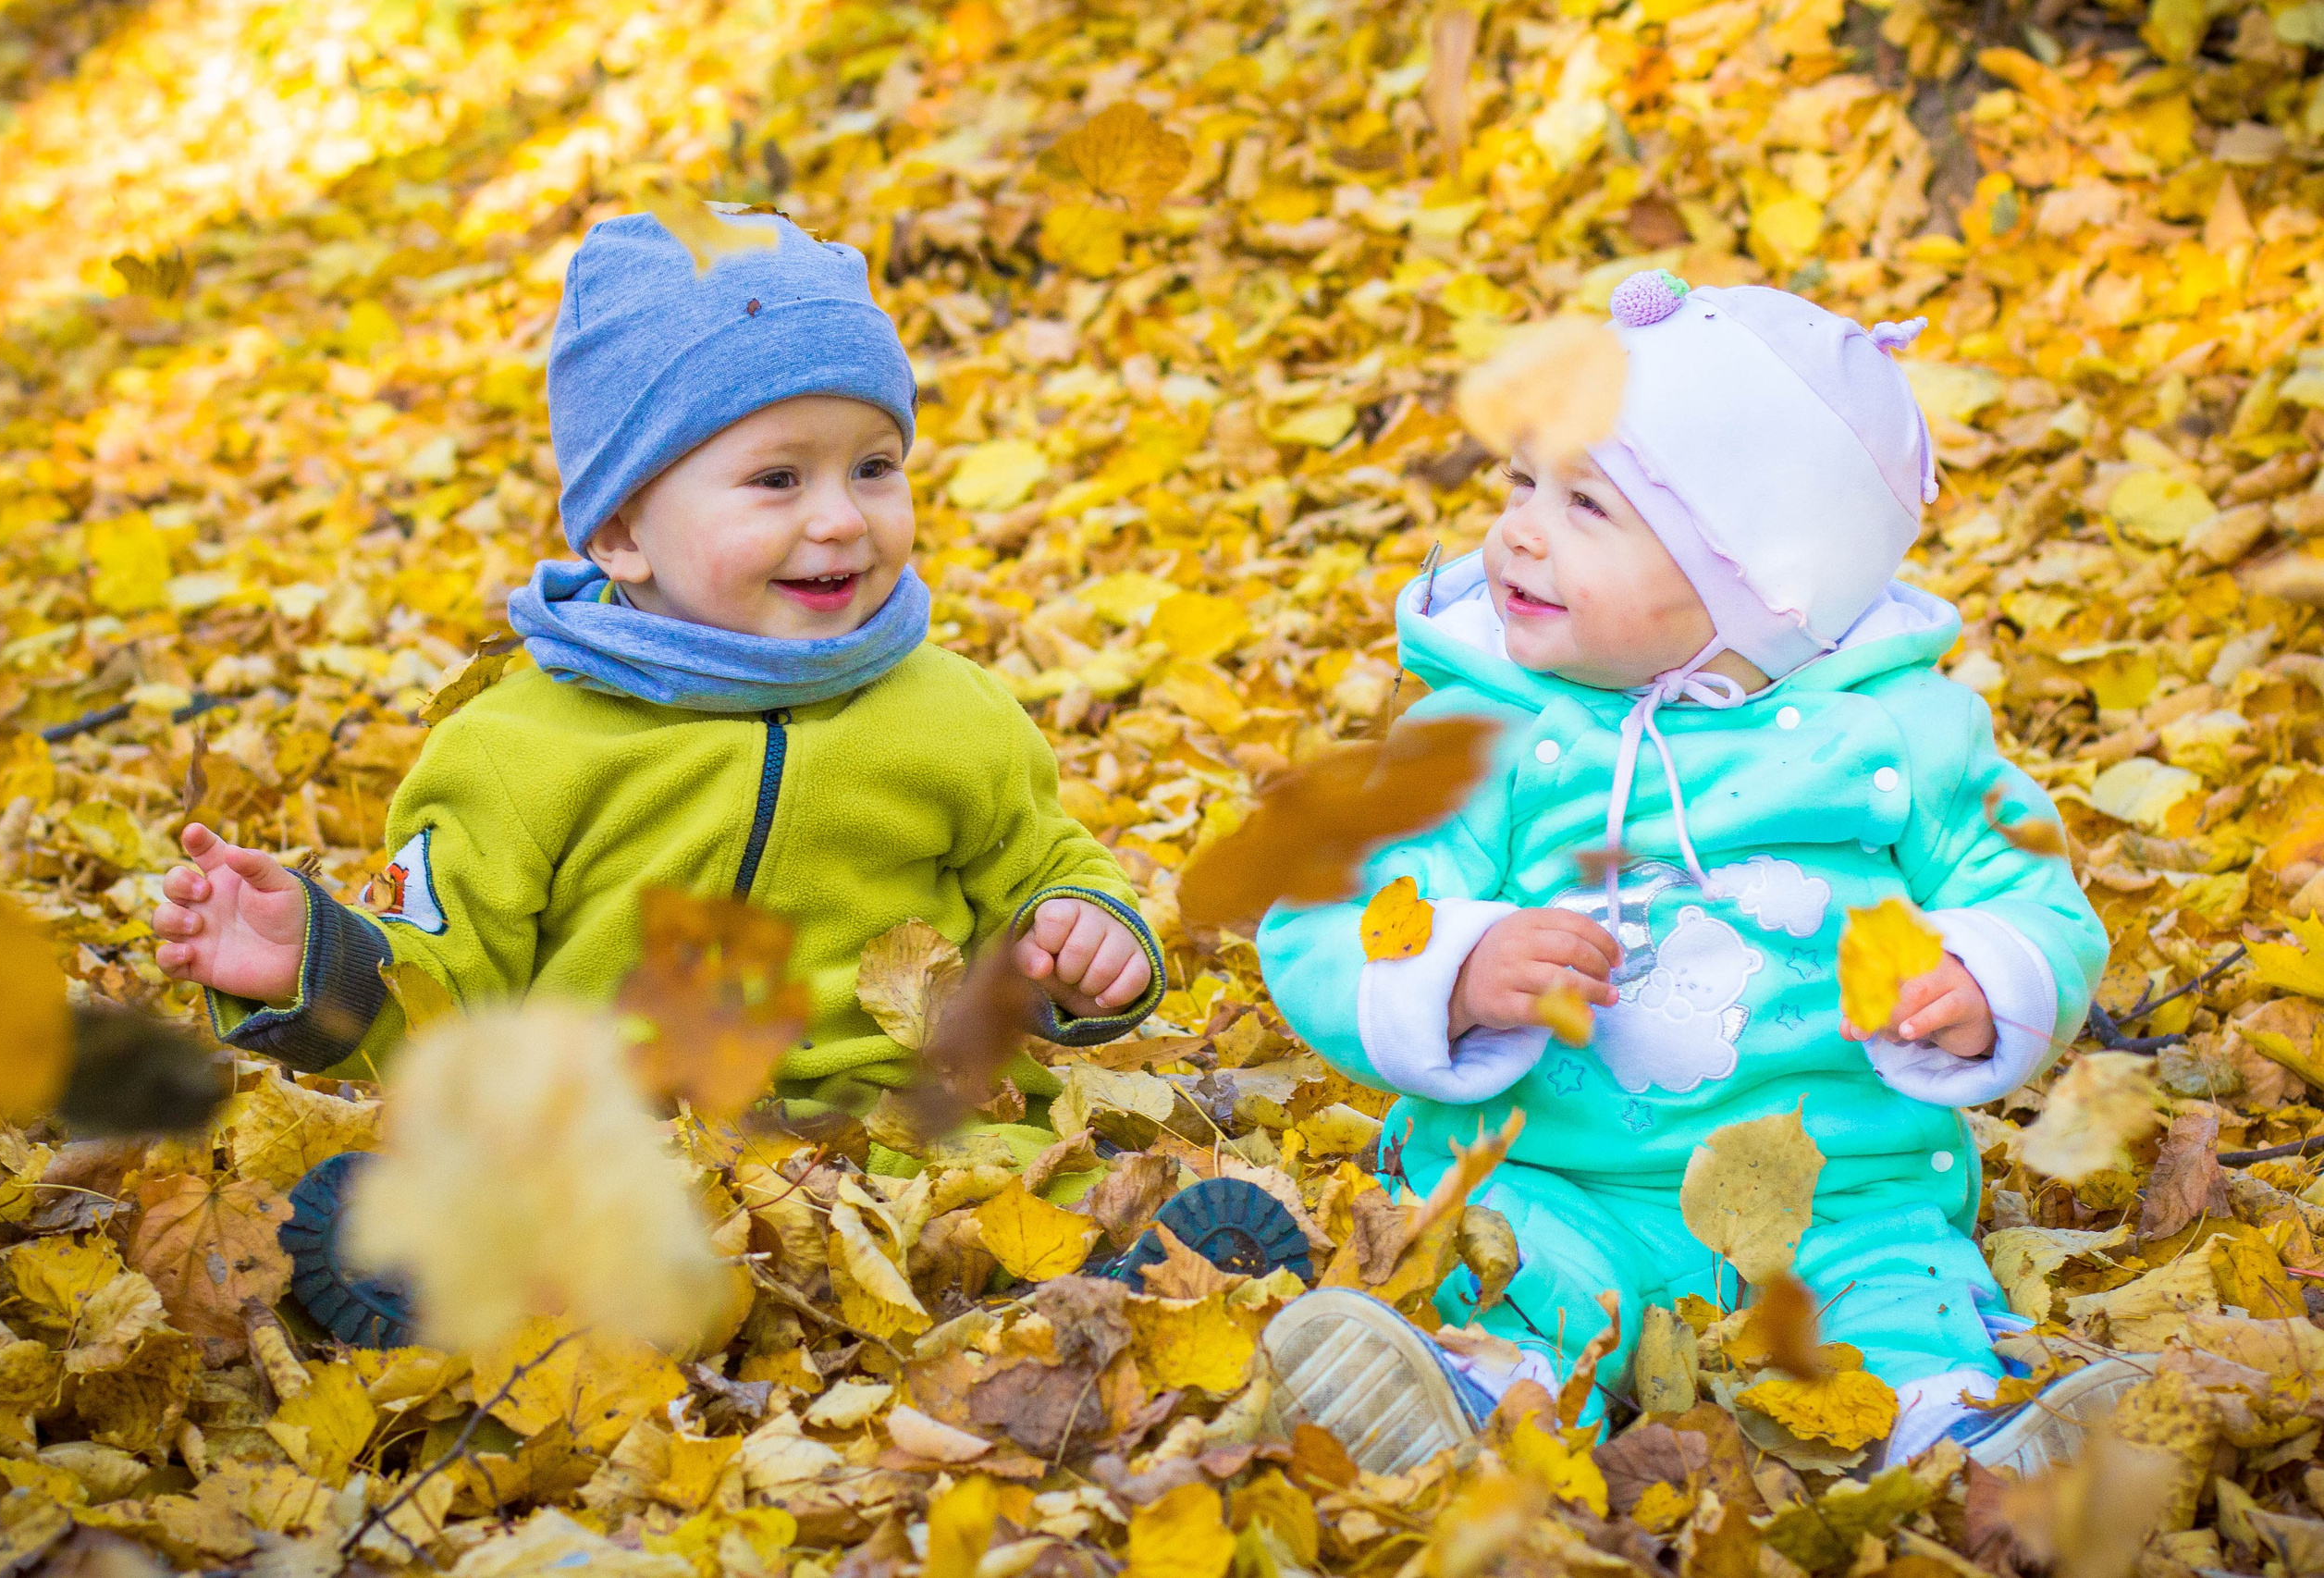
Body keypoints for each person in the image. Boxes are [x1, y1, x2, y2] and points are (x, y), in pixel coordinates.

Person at [1256, 273, 2121, 1475]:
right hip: (1554, 1168)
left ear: (1759, 576)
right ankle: (1472, 1395)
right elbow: (1329, 912)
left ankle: (1957, 1428)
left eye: (1587, 505)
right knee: (1503, 1267)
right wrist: (1452, 966)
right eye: (1520, 481)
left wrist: (1986, 973)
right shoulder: (1472, 736)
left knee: (1893, 1293)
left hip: (1838, 1184)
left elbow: (2027, 886)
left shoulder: (1900, 733)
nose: (1517, 529)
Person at [151, 209, 1163, 1139]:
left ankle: (1137, 1274)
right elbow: (446, 984)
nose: (843, 518)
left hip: (909, 1134)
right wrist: (313, 964)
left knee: (1056, 1191)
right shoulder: (515, 748)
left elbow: (1041, 868)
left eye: (875, 465)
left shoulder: (953, 712)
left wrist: (1084, 940)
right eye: (777, 478)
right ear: (624, 532)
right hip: (623, 1147)